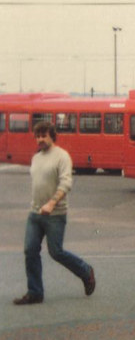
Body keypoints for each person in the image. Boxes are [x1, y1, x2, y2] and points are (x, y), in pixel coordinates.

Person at [13, 121, 95, 305]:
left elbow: (66, 183)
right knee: (30, 250)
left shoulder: (62, 156)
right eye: (37, 136)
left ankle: (86, 271)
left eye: (44, 136)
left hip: (55, 214)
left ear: (52, 136)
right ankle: (35, 292)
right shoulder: (36, 158)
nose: (40, 139)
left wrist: (51, 203)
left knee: (56, 252)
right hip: (35, 213)